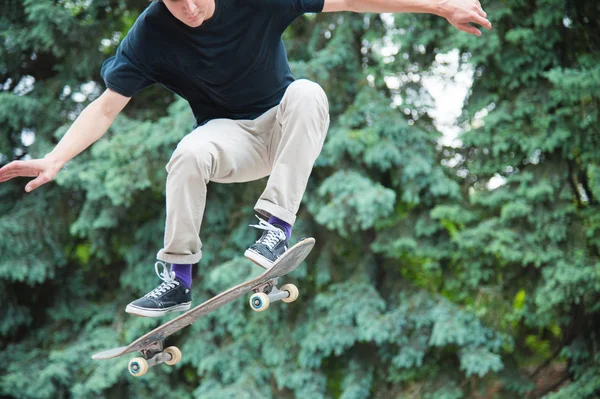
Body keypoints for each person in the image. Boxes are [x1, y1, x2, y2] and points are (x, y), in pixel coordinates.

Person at [0, 0, 491, 317]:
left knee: (308, 93)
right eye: (176, 1)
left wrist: (441, 6)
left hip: (284, 124)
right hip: (230, 139)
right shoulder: (150, 33)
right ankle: (177, 276)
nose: (189, 8)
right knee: (189, 152)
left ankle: (276, 226)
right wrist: (57, 158)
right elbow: (107, 104)